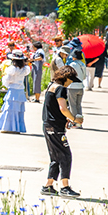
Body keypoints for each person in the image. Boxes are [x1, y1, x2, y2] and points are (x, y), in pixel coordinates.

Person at [40, 66, 83, 198]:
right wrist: (74, 119)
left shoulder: (51, 86)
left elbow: (53, 108)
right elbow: (62, 108)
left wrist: (65, 119)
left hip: (48, 125)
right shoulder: (61, 88)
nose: (71, 83)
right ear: (66, 78)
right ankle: (65, 187)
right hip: (56, 128)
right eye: (71, 80)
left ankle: (48, 185)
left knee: (55, 156)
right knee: (65, 155)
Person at [0, 49, 31, 134]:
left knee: (10, 109)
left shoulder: (12, 69)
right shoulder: (24, 69)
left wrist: (6, 83)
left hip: (13, 90)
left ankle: (8, 127)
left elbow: (7, 79)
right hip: (20, 90)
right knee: (18, 110)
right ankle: (17, 128)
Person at [65, 48, 87, 127]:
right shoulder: (83, 64)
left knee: (72, 105)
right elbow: (84, 77)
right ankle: (80, 122)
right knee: (78, 105)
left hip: (72, 86)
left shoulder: (72, 64)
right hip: (80, 86)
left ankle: (74, 122)